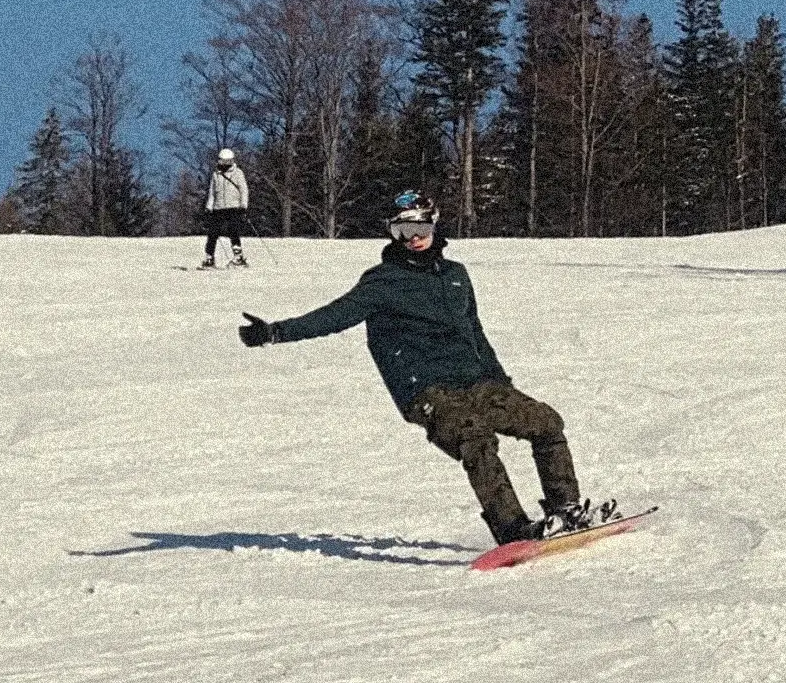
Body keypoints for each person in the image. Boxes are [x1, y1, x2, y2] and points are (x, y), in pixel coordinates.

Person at [237, 190, 605, 545]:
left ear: (435, 227)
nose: (413, 239)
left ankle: (566, 509)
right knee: (474, 437)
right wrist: (274, 332)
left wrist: (499, 379)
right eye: (403, 232)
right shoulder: (383, 281)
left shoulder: (456, 275)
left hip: (477, 382)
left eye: (421, 230)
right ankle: (513, 530)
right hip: (426, 390)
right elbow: (334, 316)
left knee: (547, 423)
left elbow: (475, 331)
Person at [202, 149, 249, 267]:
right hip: (218, 207)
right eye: (223, 161)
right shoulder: (215, 174)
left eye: (228, 161)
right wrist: (209, 206)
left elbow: (244, 190)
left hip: (233, 206)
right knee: (213, 233)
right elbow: (212, 192)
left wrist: (243, 205)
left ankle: (238, 257)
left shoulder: (238, 173)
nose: (225, 163)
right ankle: (209, 257)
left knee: (233, 231)